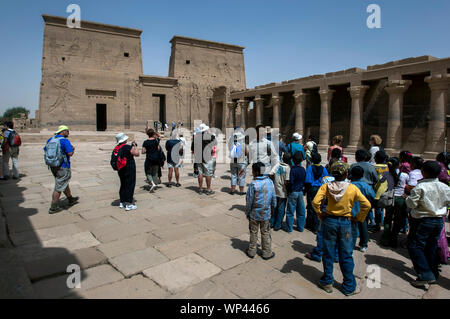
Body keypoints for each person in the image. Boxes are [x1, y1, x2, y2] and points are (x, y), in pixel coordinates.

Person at [312, 161, 371, 296]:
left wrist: (320, 213)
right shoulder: (352, 188)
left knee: (328, 252)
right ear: (346, 174)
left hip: (329, 221)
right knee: (345, 254)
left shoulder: (326, 187)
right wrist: (359, 217)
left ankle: (327, 281)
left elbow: (315, 202)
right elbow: (366, 205)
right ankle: (349, 286)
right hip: (345, 223)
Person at [405, 161, 450, 289]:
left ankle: (425, 274)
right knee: (431, 246)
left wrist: (408, 197)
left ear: (424, 172)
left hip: (423, 220)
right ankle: (433, 273)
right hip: (438, 221)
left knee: (414, 245)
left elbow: (411, 204)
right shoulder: (444, 187)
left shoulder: (420, 187)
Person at [44, 126, 79, 214]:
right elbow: (70, 153)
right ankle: (53, 207)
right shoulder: (64, 140)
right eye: (67, 131)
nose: (68, 133)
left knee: (63, 182)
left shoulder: (50, 139)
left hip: (53, 165)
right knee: (59, 187)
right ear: (63, 131)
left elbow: (45, 150)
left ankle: (70, 199)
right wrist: (73, 149)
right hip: (63, 166)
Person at [245, 162, 276, 260]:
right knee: (265, 232)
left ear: (256, 172)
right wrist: (273, 208)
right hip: (266, 213)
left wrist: (247, 212)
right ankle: (266, 252)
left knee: (253, 232)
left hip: (254, 213)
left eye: (253, 171)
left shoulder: (253, 184)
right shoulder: (270, 182)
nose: (252, 172)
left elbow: (249, 200)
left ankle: (252, 251)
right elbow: (273, 197)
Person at [379, 157, 407, 247]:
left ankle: (385, 238)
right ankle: (394, 238)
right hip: (400, 198)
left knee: (388, 218)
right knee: (398, 219)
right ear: (399, 165)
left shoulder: (387, 173)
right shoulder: (404, 175)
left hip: (390, 197)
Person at [349, 166, 375, 252]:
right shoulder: (366, 186)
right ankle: (363, 244)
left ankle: (351, 246)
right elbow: (372, 196)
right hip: (363, 211)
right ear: (362, 175)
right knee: (363, 227)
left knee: (352, 230)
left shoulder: (349, 186)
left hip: (351, 211)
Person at [114, 133, 139, 211]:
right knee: (130, 185)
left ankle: (122, 202)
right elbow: (137, 154)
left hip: (120, 169)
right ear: (124, 140)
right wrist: (134, 146)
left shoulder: (117, 147)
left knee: (123, 185)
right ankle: (128, 204)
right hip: (128, 168)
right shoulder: (126, 147)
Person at [304, 152, 329, 233]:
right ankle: (316, 226)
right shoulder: (324, 169)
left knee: (310, 206)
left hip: (312, 188)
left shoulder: (310, 168)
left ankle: (309, 224)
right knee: (318, 207)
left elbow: (307, 180)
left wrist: (306, 190)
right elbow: (326, 180)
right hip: (320, 189)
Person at [191, 123, 217, 195]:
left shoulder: (196, 137)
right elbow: (215, 142)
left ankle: (200, 189)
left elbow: (192, 148)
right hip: (207, 157)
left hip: (198, 157)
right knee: (208, 173)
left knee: (200, 173)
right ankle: (208, 189)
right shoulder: (208, 136)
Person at [285, 152, 307, 232]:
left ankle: (289, 228)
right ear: (301, 160)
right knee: (301, 211)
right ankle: (301, 227)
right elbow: (305, 180)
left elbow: (291, 182)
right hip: (300, 192)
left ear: (293, 160)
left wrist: (288, 188)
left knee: (290, 211)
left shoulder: (292, 170)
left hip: (293, 191)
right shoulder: (303, 169)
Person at [270, 152, 291, 230]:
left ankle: (272, 223)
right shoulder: (288, 168)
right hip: (283, 191)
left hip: (275, 190)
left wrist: (275, 181)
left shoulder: (277, 165)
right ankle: (278, 225)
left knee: (274, 207)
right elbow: (286, 181)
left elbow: (271, 174)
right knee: (281, 208)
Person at [369, 150, 389, 232]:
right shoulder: (387, 167)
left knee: (375, 209)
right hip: (384, 190)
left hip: (376, 190)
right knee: (381, 209)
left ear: (376, 158)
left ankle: (376, 224)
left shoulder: (374, 167)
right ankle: (379, 224)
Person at [229, 129, 248, 195]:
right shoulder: (243, 144)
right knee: (241, 176)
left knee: (233, 175)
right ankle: (241, 191)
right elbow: (246, 153)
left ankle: (233, 190)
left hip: (233, 162)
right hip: (241, 162)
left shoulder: (231, 144)